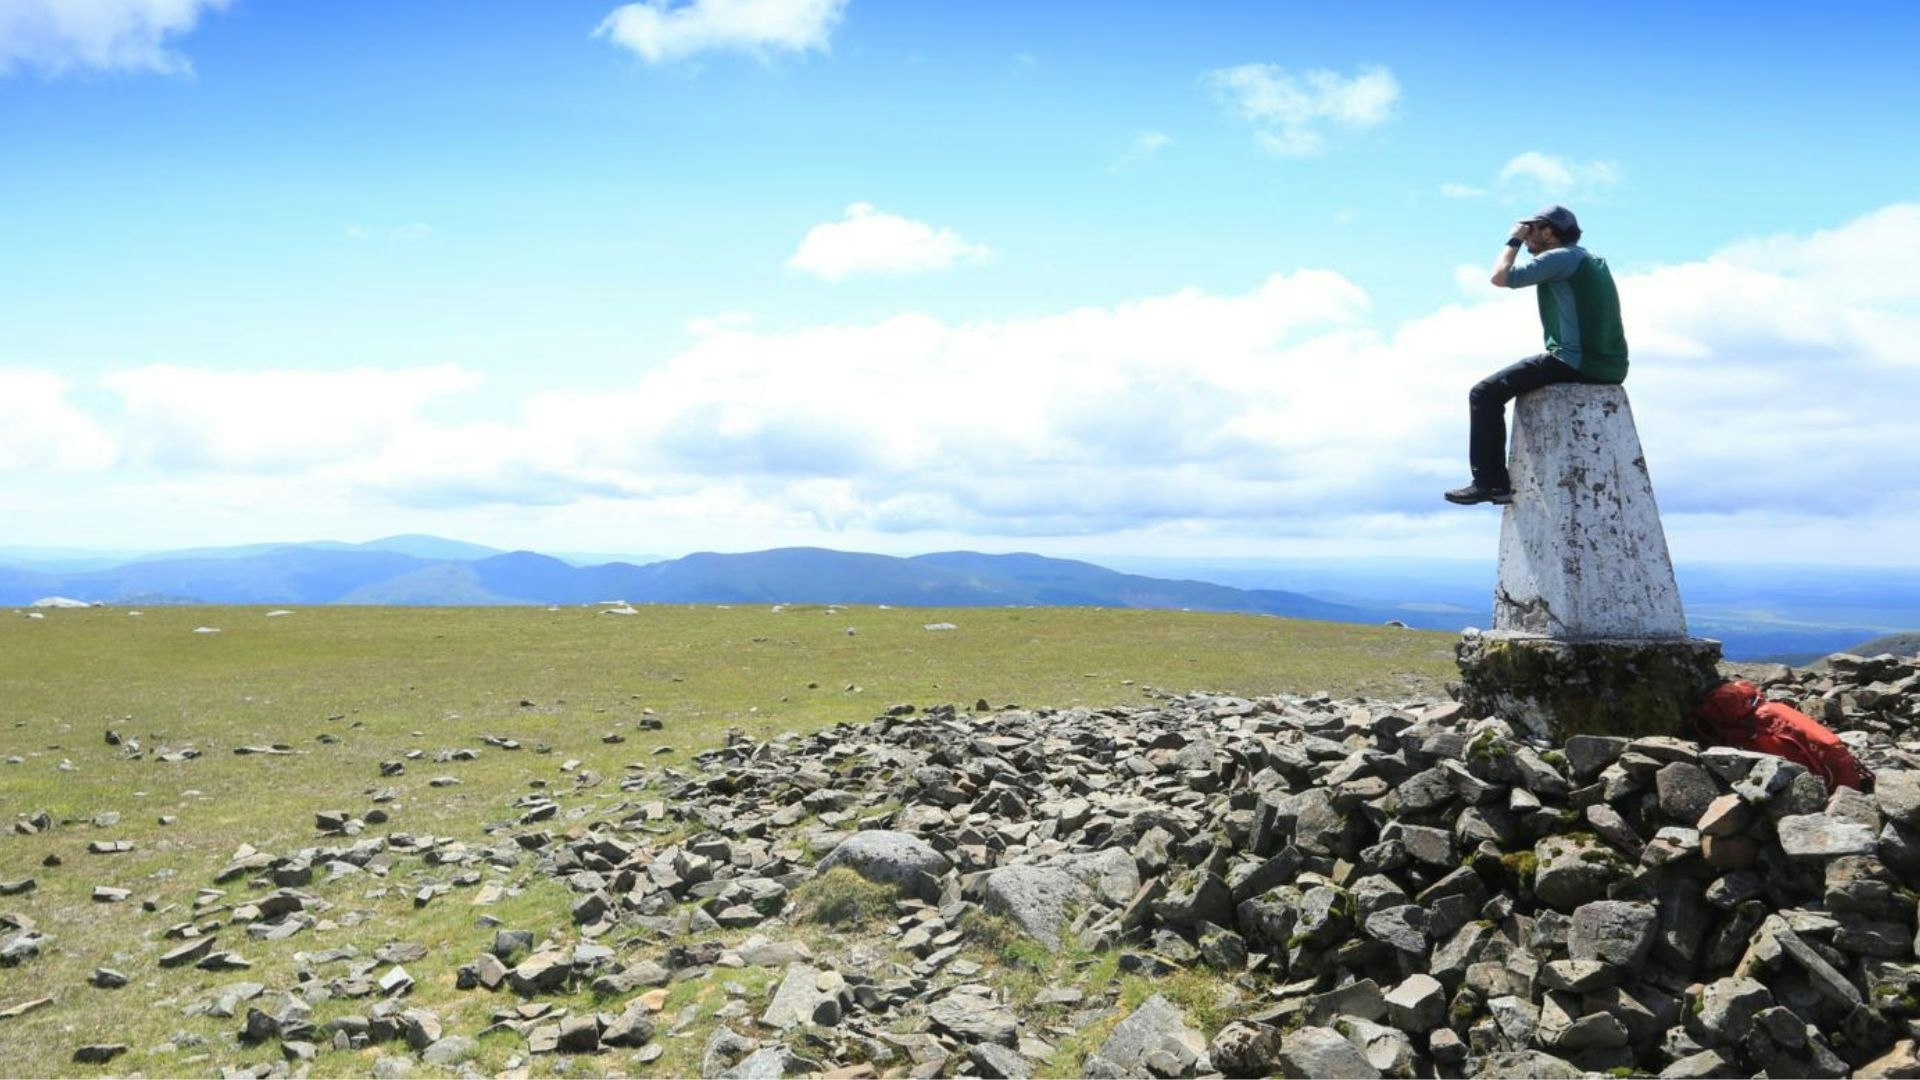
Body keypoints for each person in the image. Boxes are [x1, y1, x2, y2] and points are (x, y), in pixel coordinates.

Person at [1444, 205, 1630, 505]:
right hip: (1609, 365)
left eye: (1533, 230)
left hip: (1574, 361)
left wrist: (1513, 241)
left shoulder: (1559, 257)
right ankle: (1492, 483)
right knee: (1494, 389)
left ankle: (1490, 483)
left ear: (1549, 231)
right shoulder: (1587, 258)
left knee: (1484, 393)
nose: (1528, 237)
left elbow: (1500, 277)